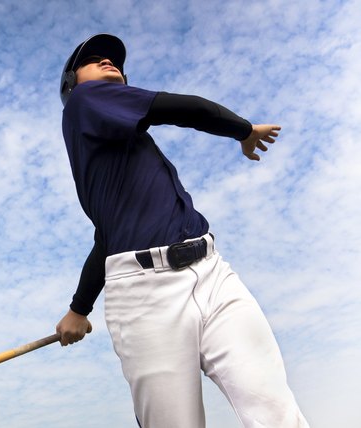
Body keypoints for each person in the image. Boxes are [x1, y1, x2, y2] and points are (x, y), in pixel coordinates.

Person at [54, 33, 309, 428]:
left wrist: (78, 309)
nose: (110, 62)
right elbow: (179, 107)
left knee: (278, 414)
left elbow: (106, 238)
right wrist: (244, 130)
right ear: (71, 84)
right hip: (145, 294)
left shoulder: (119, 145)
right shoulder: (85, 102)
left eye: (115, 61)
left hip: (212, 272)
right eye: (94, 60)